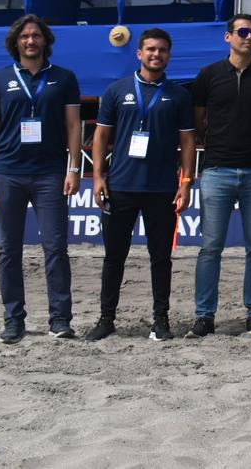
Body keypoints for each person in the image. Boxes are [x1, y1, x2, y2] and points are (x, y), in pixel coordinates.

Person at [0, 14, 83, 344]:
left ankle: (60, 319)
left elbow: (74, 126)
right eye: (25, 36)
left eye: (36, 35)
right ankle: (13, 320)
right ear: (16, 42)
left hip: (50, 174)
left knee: (56, 248)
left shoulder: (64, 78)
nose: (31, 40)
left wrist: (74, 168)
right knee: (9, 250)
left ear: (45, 40)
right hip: (8, 172)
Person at [86, 28, 196, 342]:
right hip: (120, 186)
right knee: (114, 257)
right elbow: (101, 136)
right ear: (139, 53)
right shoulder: (116, 90)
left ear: (169, 55)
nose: (156, 54)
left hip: (162, 189)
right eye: (150, 49)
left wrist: (186, 181)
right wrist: (98, 176)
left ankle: (161, 321)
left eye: (162, 50)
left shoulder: (179, 95)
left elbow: (188, 142)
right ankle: (106, 320)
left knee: (160, 258)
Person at [187, 14, 251, 339]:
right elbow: (198, 121)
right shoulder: (209, 75)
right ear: (227, 36)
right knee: (210, 248)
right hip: (217, 170)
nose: (248, 37)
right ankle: (204, 317)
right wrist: (218, 144)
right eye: (242, 31)